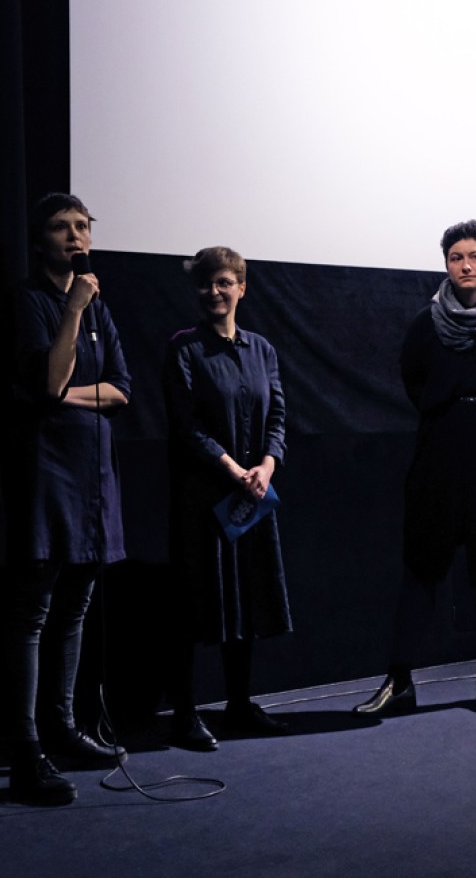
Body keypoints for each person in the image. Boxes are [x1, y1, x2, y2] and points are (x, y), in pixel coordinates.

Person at [355, 219, 476, 716]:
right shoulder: (428, 321)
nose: (466, 265)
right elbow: (411, 376)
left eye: (475, 256)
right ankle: (399, 680)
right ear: (446, 264)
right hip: (440, 451)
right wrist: (447, 409)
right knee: (421, 566)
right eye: (456, 257)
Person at [4, 193, 131, 805]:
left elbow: (123, 390)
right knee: (34, 612)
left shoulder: (102, 307)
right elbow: (52, 378)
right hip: (47, 469)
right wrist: (74, 310)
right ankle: (26, 751)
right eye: (62, 226)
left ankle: (65, 728)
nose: (75, 235)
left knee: (77, 605)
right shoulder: (34, 302)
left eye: (82, 225)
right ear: (41, 239)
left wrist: (68, 396)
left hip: (92, 472)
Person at [163, 246, 292, 751]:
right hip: (203, 498)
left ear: (241, 286)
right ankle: (185, 713)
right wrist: (234, 468)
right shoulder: (183, 348)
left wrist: (266, 464)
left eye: (222, 282)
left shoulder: (262, 349)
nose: (212, 292)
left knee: (246, 599)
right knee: (196, 603)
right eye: (203, 284)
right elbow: (186, 426)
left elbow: (278, 415)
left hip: (250, 496)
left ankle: (239, 704)